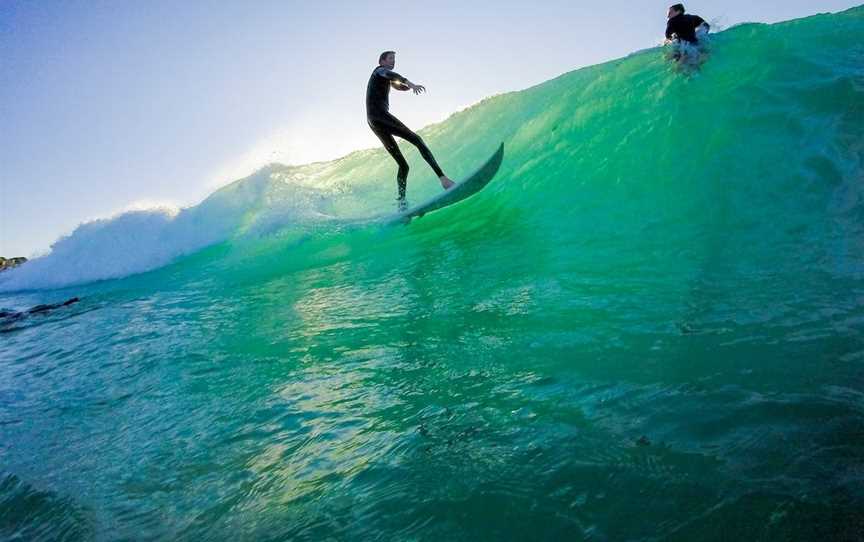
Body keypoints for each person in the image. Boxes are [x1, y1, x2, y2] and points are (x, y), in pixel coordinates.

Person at [366, 51, 454, 209]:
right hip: (380, 116)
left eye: (394, 59)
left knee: (403, 165)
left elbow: (396, 84)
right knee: (418, 140)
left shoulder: (382, 78)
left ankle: (401, 203)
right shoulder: (379, 71)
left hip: (373, 121)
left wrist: (406, 87)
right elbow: (391, 75)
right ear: (382, 61)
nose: (393, 61)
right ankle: (444, 180)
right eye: (390, 59)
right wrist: (412, 84)